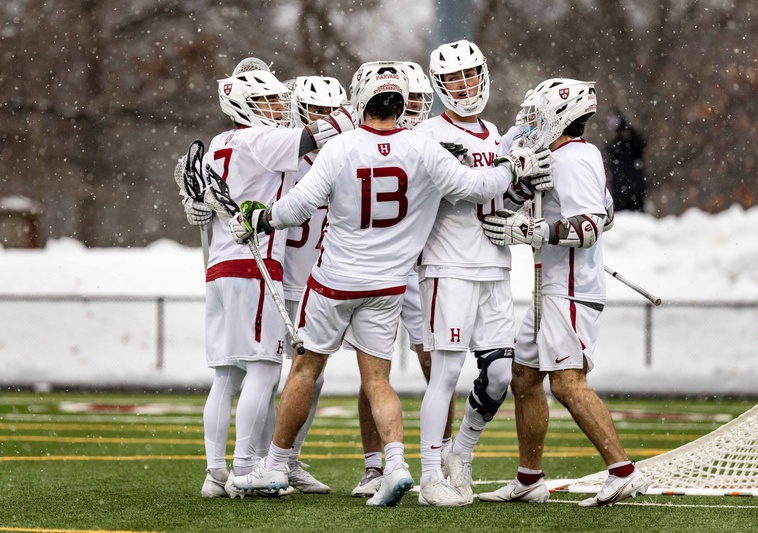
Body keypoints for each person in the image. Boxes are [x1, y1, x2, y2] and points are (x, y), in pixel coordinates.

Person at [228, 60, 549, 506]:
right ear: (400, 104)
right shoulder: (422, 148)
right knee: (379, 381)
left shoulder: (342, 147)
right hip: (388, 286)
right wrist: (514, 167)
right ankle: (395, 464)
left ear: (361, 100)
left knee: (305, 371)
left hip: (335, 281)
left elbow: (298, 206)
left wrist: (259, 219)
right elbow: (477, 187)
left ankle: (277, 464)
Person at [479, 78, 650, 507]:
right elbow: (606, 214)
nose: (529, 123)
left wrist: (533, 230)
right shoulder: (571, 155)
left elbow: (591, 226)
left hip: (569, 290)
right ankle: (529, 478)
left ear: (560, 117)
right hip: (551, 287)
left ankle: (623, 471)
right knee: (523, 377)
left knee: (568, 383)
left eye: (536, 116)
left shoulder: (574, 159)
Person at [190, 57, 354, 499]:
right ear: (242, 104)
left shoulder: (220, 143)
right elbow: (316, 134)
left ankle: (215, 473)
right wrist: (359, 108)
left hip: (221, 265)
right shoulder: (261, 139)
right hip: (256, 264)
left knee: (227, 376)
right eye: (265, 100)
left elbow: (205, 196)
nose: (277, 108)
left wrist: (196, 204)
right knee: (264, 370)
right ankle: (247, 470)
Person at [411, 39, 525, 507]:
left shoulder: (494, 132)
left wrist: (523, 190)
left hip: (494, 265)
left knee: (500, 374)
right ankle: (429, 476)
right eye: (454, 78)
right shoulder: (428, 133)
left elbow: (499, 195)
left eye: (470, 74)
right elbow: (465, 189)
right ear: (440, 85)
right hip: (448, 264)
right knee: (446, 373)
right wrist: (510, 170)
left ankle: (460, 452)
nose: (464, 85)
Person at [349, 60, 458, 499]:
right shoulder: (361, 139)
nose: (412, 111)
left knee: (436, 364)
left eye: (417, 103)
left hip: (421, 267)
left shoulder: (431, 140)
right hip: (374, 265)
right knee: (372, 371)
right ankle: (374, 466)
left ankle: (441, 460)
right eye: (406, 103)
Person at [276, 74, 349, 494]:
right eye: (316, 112)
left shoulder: (344, 157)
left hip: (319, 283)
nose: (324, 120)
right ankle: (256, 460)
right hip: (280, 279)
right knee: (266, 375)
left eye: (331, 112)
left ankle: (287, 458)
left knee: (312, 378)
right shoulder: (283, 154)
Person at [606, 107, 647, 212]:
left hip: (634, 186)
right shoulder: (615, 144)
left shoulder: (632, 139)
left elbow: (640, 144)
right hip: (620, 187)